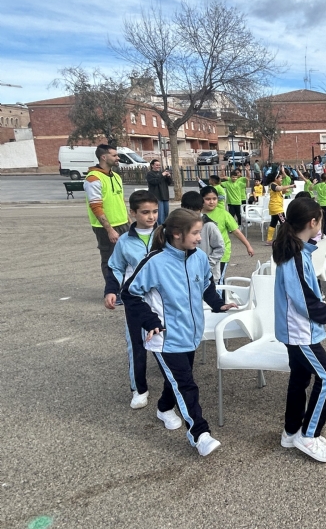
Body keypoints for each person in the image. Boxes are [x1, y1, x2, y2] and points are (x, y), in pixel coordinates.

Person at [122, 209, 237, 457]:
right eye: (195, 233)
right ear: (176, 233)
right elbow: (129, 294)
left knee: (176, 379)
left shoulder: (199, 258)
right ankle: (199, 434)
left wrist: (218, 304)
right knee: (186, 384)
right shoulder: (155, 262)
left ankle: (164, 408)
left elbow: (206, 285)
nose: (199, 238)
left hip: (190, 334)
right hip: (165, 338)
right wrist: (150, 320)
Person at [273, 197, 326, 463]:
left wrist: (325, 305)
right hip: (300, 333)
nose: (322, 226)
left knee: (300, 379)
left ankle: (291, 431)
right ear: (312, 222)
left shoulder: (297, 251)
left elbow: (303, 294)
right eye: (321, 221)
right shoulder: (295, 256)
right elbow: (304, 302)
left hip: (297, 330)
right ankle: (308, 436)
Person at [104, 190, 159, 409]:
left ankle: (174, 383)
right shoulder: (124, 241)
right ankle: (139, 389)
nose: (151, 216)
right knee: (136, 344)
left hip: (162, 299)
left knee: (168, 340)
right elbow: (115, 267)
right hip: (135, 300)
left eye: (155, 211)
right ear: (133, 213)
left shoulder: (166, 236)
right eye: (145, 212)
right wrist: (111, 290)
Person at [84, 144, 130, 286]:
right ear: (104, 157)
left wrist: (128, 220)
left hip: (123, 224)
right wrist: (109, 230)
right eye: (114, 155)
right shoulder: (93, 178)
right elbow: (96, 206)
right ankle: (112, 290)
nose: (118, 158)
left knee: (126, 258)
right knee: (110, 260)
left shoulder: (116, 176)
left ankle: (124, 287)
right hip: (107, 227)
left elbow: (120, 200)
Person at [200, 186, 254, 285]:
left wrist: (248, 245)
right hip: (204, 253)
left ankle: (222, 295)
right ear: (201, 199)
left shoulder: (223, 214)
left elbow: (236, 231)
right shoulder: (197, 214)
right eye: (208, 199)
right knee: (206, 280)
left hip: (221, 254)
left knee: (218, 281)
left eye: (214, 199)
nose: (211, 202)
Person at [181, 191, 225, 284]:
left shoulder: (209, 225)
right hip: (186, 276)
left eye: (195, 212)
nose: (192, 216)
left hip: (208, 277)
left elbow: (220, 248)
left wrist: (207, 265)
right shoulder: (179, 225)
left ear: (201, 208)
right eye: (189, 212)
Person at [265, 169, 295, 246]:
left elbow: (280, 191)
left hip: (275, 207)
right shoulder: (273, 185)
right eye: (280, 178)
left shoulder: (275, 185)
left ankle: (269, 240)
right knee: (284, 224)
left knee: (273, 223)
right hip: (277, 208)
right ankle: (285, 239)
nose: (281, 179)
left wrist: (285, 191)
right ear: (276, 178)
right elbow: (278, 189)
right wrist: (290, 186)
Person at [146, 159, 173, 225]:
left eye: (159, 165)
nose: (158, 166)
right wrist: (162, 175)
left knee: (166, 214)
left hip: (165, 196)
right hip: (157, 196)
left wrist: (168, 177)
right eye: (157, 165)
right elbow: (155, 182)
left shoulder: (162, 173)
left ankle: (165, 227)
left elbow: (169, 183)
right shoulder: (150, 174)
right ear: (152, 165)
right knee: (160, 215)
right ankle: (160, 228)